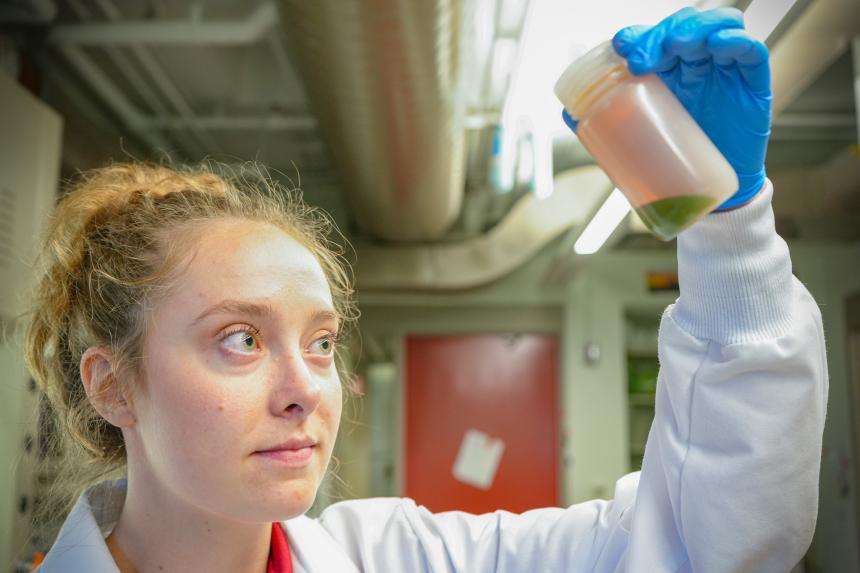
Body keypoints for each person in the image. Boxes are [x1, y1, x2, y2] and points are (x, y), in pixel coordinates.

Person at [28, 7, 826, 573]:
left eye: (321, 342)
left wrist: (729, 226)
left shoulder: (397, 556)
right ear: (114, 384)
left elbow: (700, 544)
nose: (307, 388)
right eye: (241, 338)